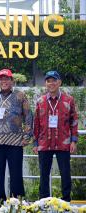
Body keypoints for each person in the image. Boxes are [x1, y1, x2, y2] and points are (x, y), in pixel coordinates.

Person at [0, 68, 33, 204]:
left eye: (7, 79)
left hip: (15, 141)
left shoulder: (20, 95)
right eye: (1, 79)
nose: (4, 81)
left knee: (16, 173)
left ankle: (18, 199)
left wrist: (27, 136)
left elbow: (28, 116)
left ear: (12, 81)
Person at [33, 71, 78, 202]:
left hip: (63, 143)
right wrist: (35, 143)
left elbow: (74, 121)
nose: (51, 83)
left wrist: (73, 141)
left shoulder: (69, 100)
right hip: (44, 143)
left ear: (59, 82)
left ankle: (66, 201)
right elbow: (36, 123)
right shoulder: (40, 101)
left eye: (54, 80)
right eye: (48, 81)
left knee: (65, 174)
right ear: (45, 83)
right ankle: (44, 202)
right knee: (43, 175)